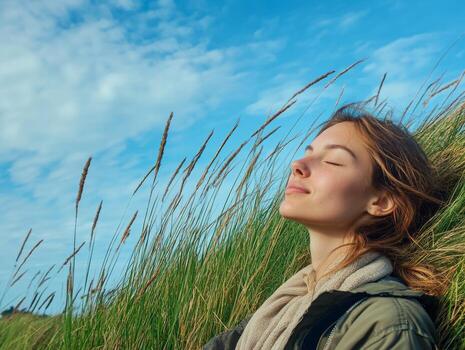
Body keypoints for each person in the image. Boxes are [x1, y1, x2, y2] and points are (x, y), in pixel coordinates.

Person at [203, 103, 448, 350]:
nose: (297, 164)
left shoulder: (385, 326)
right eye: (308, 153)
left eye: (332, 160)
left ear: (381, 201)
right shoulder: (282, 308)